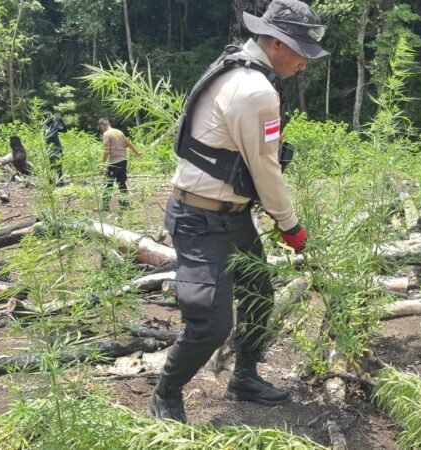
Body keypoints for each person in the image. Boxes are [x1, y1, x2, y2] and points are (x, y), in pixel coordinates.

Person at [149, 0, 327, 423]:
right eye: (300, 51)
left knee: (258, 296)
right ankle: (166, 393)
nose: (304, 63)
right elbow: (265, 170)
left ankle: (244, 376)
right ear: (275, 43)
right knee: (209, 324)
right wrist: (290, 226)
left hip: (230, 216)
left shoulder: (237, 66)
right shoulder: (255, 90)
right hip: (200, 218)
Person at [98, 118, 143, 210]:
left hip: (113, 163)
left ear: (102, 126)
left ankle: (105, 206)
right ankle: (126, 203)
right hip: (123, 161)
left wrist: (102, 164)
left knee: (108, 183)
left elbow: (107, 150)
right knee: (122, 182)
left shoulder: (106, 134)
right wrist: (137, 152)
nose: (101, 129)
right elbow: (128, 143)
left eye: (100, 128)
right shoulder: (119, 132)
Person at [42, 111, 66, 183]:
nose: (52, 118)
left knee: (59, 165)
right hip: (51, 149)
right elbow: (51, 134)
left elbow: (65, 130)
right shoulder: (45, 127)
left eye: (52, 116)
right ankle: (52, 182)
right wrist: (56, 123)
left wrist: (61, 121)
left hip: (58, 148)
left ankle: (60, 182)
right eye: (50, 116)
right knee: (53, 166)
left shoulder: (53, 125)